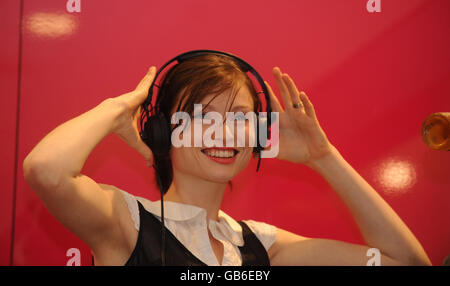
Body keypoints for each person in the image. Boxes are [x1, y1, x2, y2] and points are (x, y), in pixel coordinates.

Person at [23, 54, 432, 266]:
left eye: (239, 118)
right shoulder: (123, 221)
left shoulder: (259, 245)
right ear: (163, 130)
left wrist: (324, 158)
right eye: (201, 116)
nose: (223, 133)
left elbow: (406, 261)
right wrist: (116, 110)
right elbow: (46, 170)